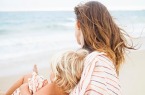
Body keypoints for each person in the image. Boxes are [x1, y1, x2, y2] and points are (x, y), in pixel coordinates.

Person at [5, 49, 88, 95]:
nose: (50, 72)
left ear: (58, 75)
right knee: (34, 77)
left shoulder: (53, 87)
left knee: (27, 77)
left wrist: (24, 88)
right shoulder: (68, 91)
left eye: (52, 70)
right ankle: (35, 75)